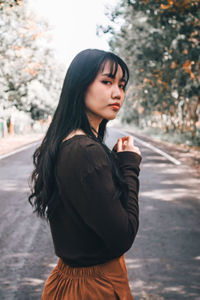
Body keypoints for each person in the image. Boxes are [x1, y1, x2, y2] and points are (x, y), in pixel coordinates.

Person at [29, 48, 142, 300]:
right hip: (94, 288)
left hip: (70, 282)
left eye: (121, 85)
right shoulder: (85, 151)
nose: (118, 93)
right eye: (107, 82)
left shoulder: (66, 143)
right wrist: (130, 166)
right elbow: (123, 236)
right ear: (80, 86)